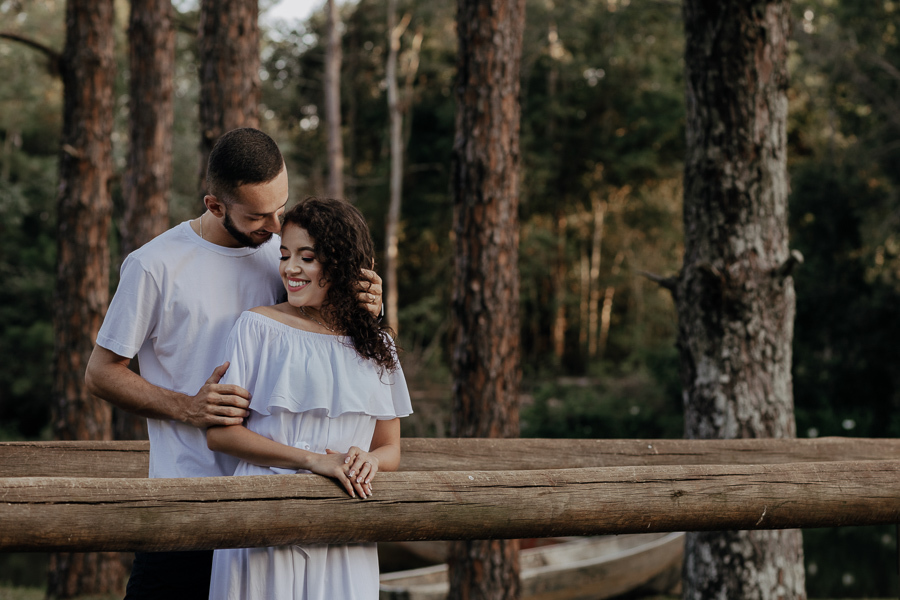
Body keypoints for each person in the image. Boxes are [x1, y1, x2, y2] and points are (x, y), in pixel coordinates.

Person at [84, 128, 383, 600]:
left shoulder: (282, 257)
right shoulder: (154, 266)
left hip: (273, 504)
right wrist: (189, 408)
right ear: (215, 205)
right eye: (259, 215)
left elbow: (330, 343)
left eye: (280, 207)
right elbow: (101, 373)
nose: (276, 223)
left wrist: (364, 301)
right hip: (188, 498)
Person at [205, 197, 411, 599]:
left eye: (307, 257)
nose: (290, 268)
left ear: (340, 264)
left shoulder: (376, 344)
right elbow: (221, 435)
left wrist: (368, 460)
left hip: (345, 527)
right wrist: (315, 461)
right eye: (285, 255)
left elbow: (390, 448)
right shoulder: (258, 327)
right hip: (264, 519)